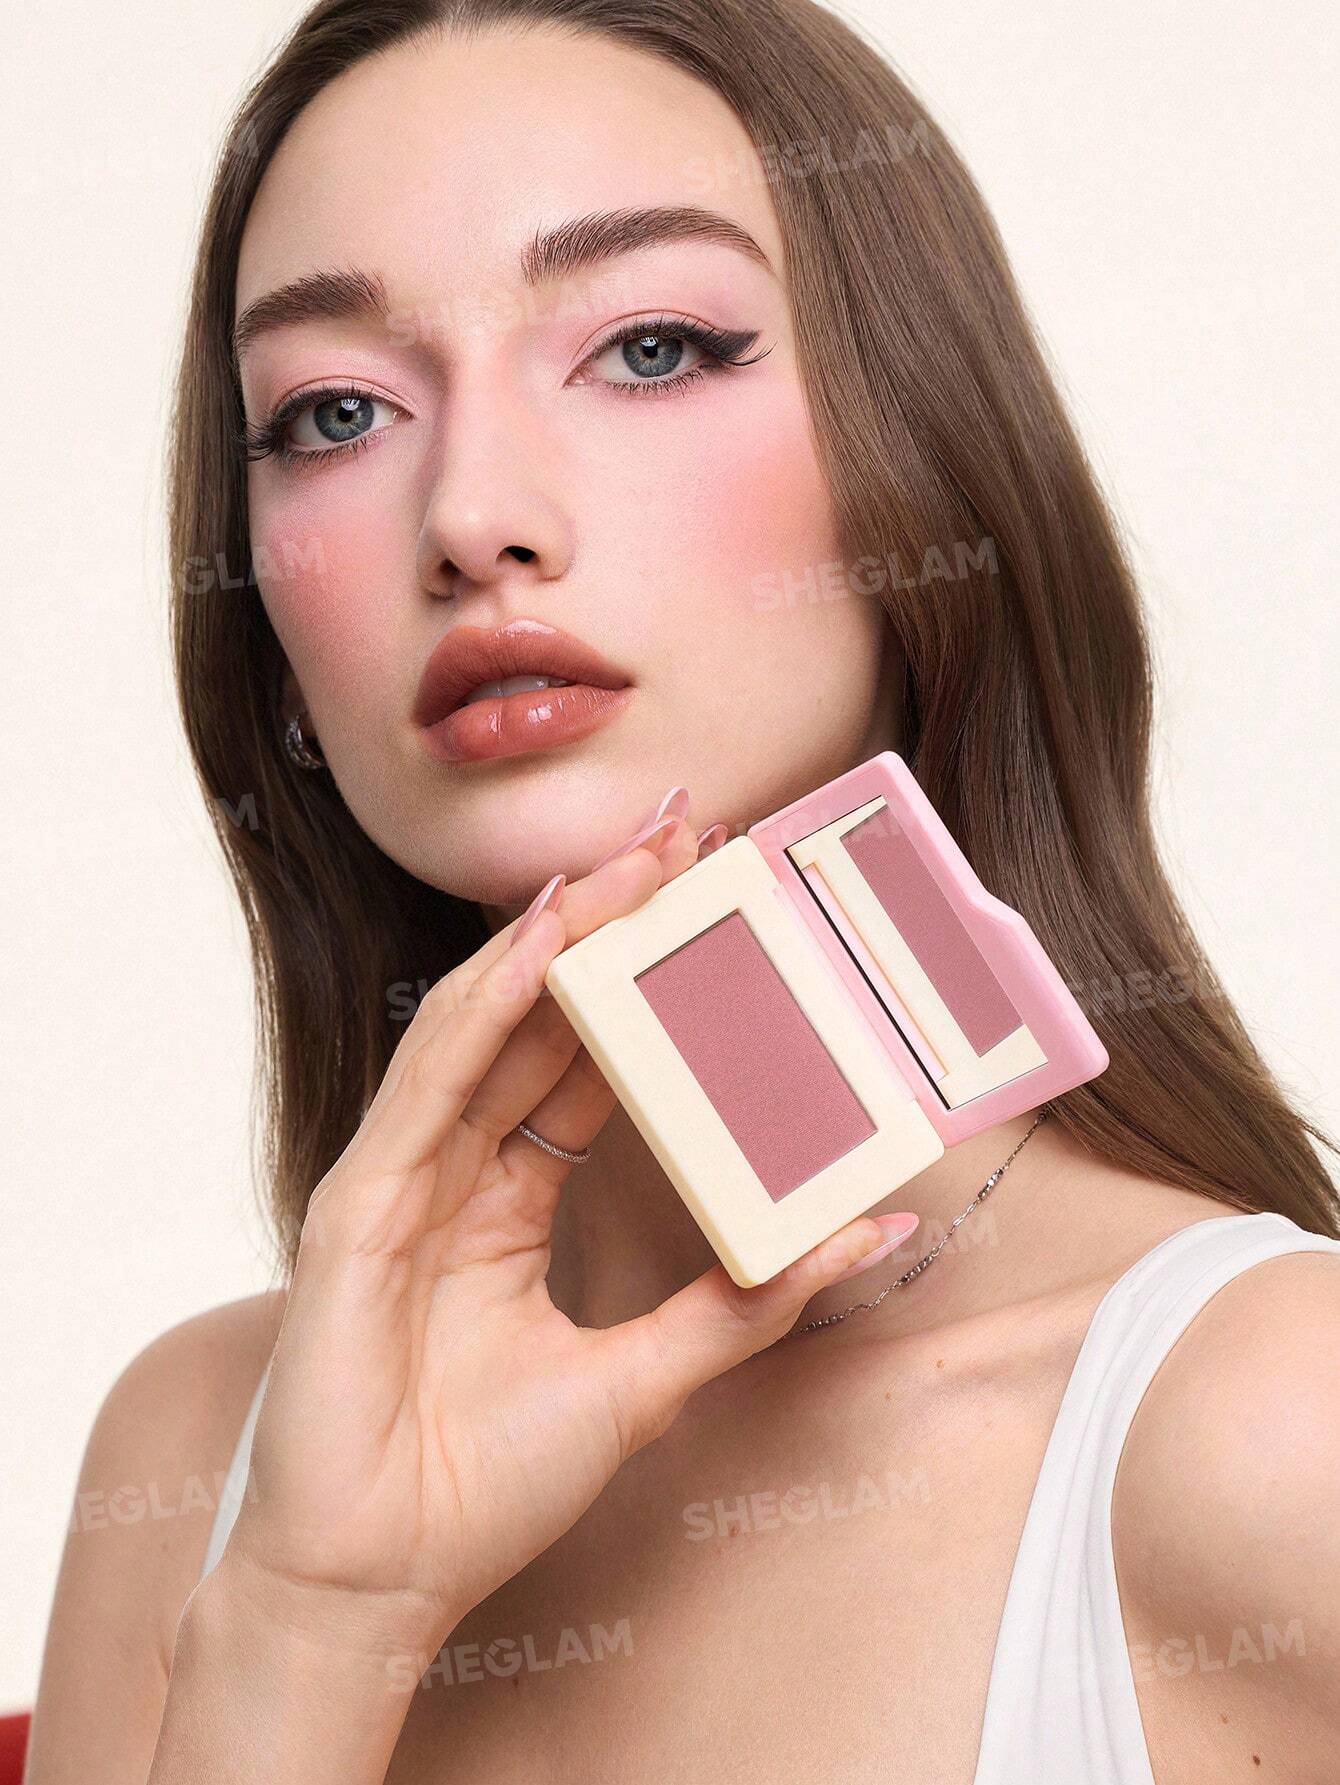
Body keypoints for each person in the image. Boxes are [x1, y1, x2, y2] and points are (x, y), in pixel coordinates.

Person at [27, 2, 1340, 1779]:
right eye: (336, 411)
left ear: (925, 467)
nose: (471, 516)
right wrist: (310, 1623)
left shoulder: (1276, 1430)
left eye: (650, 347)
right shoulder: (199, 1460)